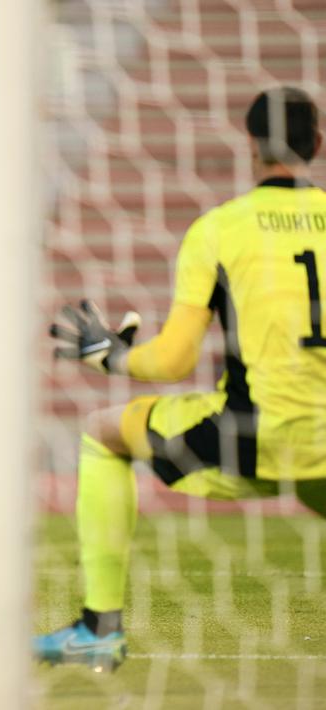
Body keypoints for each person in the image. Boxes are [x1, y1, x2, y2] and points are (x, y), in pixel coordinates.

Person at [37, 87, 326, 671]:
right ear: (316, 144)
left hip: (253, 436)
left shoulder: (219, 229)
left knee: (103, 434)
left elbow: (172, 361)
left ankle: (99, 628)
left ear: (251, 146)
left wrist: (112, 357)